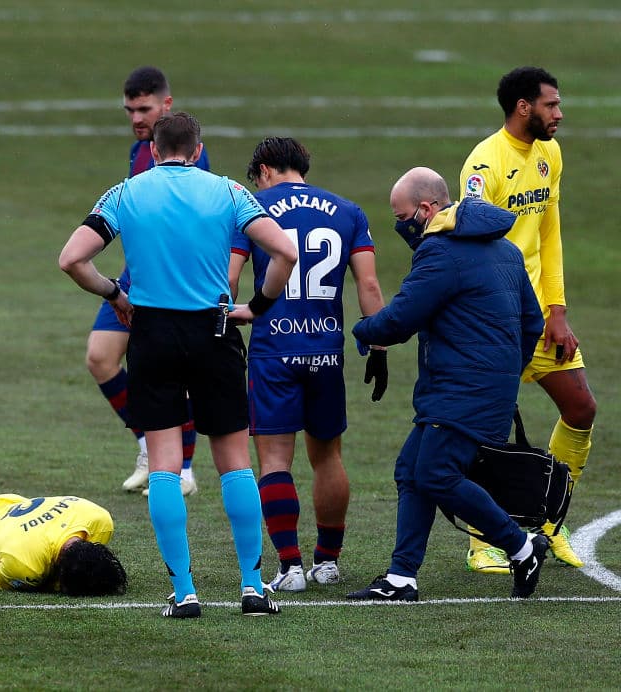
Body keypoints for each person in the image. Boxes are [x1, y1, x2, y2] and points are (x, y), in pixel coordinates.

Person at [59, 112, 298, 617]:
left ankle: (185, 592)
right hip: (214, 333)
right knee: (235, 461)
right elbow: (284, 250)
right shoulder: (228, 191)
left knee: (164, 464)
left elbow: (71, 259)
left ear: (151, 150)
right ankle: (253, 587)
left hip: (152, 335)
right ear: (196, 149)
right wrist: (259, 306)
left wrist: (114, 293)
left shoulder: (126, 193)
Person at [345, 167, 548, 602]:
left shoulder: (440, 251)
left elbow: (401, 318)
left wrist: (362, 332)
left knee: (435, 473)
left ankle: (521, 545)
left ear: (427, 208)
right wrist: (506, 371)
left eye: (402, 217)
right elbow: (533, 322)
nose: (401, 226)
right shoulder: (506, 249)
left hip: (461, 389)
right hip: (479, 387)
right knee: (412, 471)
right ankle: (402, 577)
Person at [229, 137, 387, 592]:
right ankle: (328, 562)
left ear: (263, 170)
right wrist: (377, 348)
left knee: (275, 459)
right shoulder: (349, 212)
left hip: (273, 351)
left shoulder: (250, 207)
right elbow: (370, 287)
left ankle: (290, 568)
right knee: (328, 456)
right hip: (326, 353)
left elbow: (231, 278)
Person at [459, 66, 595, 573]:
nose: (559, 114)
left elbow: (549, 234)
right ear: (523, 107)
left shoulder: (549, 154)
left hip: (541, 317)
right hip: (496, 320)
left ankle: (549, 525)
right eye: (551, 105)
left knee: (580, 408)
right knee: (485, 428)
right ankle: (482, 540)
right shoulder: (484, 164)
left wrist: (557, 310)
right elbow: (472, 245)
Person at [89, 66, 209, 497]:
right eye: (130, 110)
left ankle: (185, 468)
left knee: (170, 374)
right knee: (100, 357)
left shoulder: (189, 155)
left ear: (167, 105)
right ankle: (147, 444)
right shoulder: (140, 149)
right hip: (132, 276)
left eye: (145, 108)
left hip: (165, 282)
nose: (137, 117)